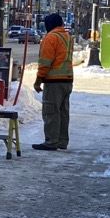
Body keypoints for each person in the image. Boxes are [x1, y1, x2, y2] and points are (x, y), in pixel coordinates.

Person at [32, 12, 73, 151]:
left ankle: (51, 141)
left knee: (51, 111)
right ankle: (62, 141)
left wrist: (38, 80)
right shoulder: (67, 37)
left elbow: (45, 62)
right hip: (67, 80)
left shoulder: (51, 37)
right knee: (63, 112)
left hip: (54, 81)